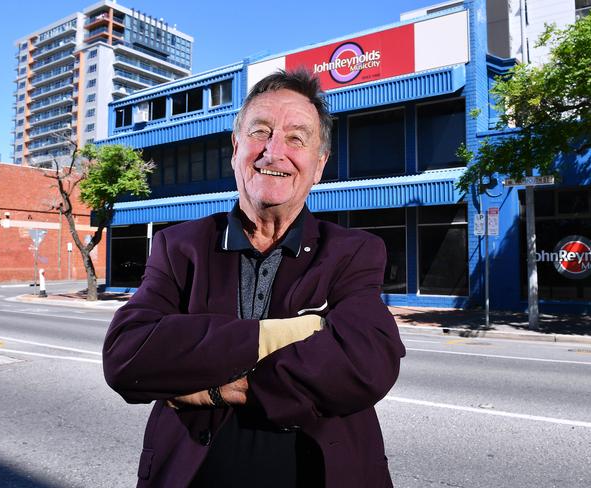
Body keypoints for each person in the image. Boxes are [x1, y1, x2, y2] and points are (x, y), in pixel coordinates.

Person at [103, 69, 406, 488]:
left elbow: (364, 363)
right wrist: (289, 334)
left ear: (318, 166)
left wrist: (212, 389)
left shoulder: (352, 252)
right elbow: (126, 356)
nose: (274, 151)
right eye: (260, 132)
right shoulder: (179, 247)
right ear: (235, 148)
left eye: (297, 138)